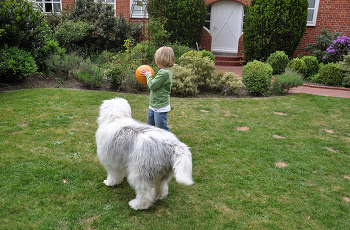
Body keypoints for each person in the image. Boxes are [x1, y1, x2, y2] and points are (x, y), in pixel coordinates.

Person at [140, 46, 174, 132]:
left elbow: (152, 85)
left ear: (162, 59)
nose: (156, 61)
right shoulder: (164, 71)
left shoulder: (164, 73)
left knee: (161, 129)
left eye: (157, 59)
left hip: (160, 106)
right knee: (149, 127)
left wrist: (148, 75)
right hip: (154, 105)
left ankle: (171, 142)